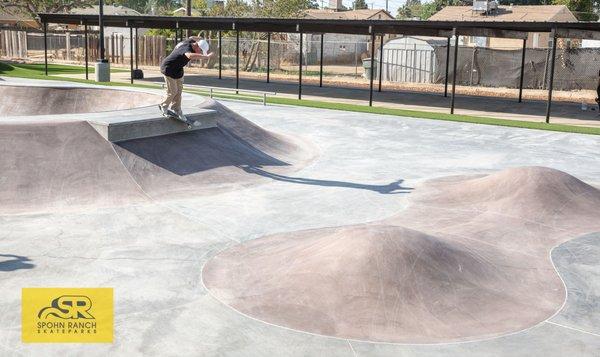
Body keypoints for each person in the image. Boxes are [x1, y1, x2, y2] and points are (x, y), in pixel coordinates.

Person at [159, 37, 213, 121]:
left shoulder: (190, 41)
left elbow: (192, 37)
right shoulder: (186, 48)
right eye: (201, 51)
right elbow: (189, 55)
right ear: (197, 46)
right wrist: (204, 57)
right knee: (173, 91)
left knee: (179, 91)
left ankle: (176, 109)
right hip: (168, 68)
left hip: (178, 70)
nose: (200, 52)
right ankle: (164, 105)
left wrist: (201, 38)